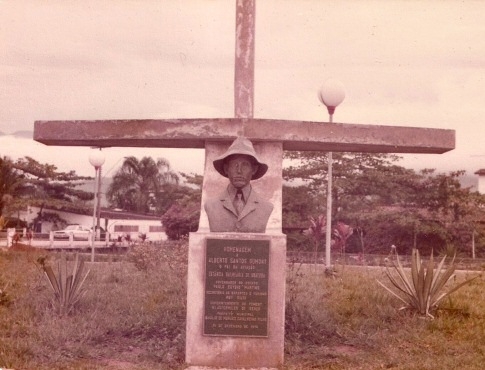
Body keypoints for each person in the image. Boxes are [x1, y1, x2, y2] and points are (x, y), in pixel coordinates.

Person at [204, 137, 273, 232]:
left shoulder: (266, 207)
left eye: (245, 165)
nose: (239, 171)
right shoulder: (211, 205)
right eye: (234, 165)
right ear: (226, 169)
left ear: (254, 170)